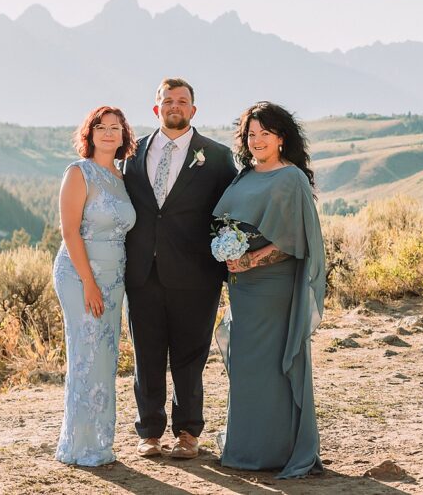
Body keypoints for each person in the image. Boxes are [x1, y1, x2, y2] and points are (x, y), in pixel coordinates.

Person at [122, 77, 237, 459]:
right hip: (142, 273)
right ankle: (149, 432)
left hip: (196, 275)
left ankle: (188, 433)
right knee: (147, 356)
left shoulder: (217, 157)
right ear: (157, 109)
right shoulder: (132, 152)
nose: (175, 106)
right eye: (167, 100)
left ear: (193, 110)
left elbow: (231, 210)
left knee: (190, 358)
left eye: (182, 101)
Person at [213, 101, 325, 479]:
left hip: (273, 289)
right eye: (251, 133)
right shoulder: (244, 176)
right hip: (242, 289)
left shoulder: (291, 178)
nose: (257, 140)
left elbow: (296, 240)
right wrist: (227, 248)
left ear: (281, 138)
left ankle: (276, 450)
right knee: (244, 367)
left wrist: (250, 260)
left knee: (273, 366)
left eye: (265, 133)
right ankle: (244, 447)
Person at [53, 105, 137, 466]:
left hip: (114, 277)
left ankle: (100, 442)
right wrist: (88, 282)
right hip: (79, 274)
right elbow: (70, 232)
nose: (107, 133)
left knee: (104, 358)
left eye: (115, 128)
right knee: (86, 355)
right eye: (100, 127)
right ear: (90, 134)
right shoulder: (79, 173)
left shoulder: (123, 178)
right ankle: (80, 446)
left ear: (123, 136)